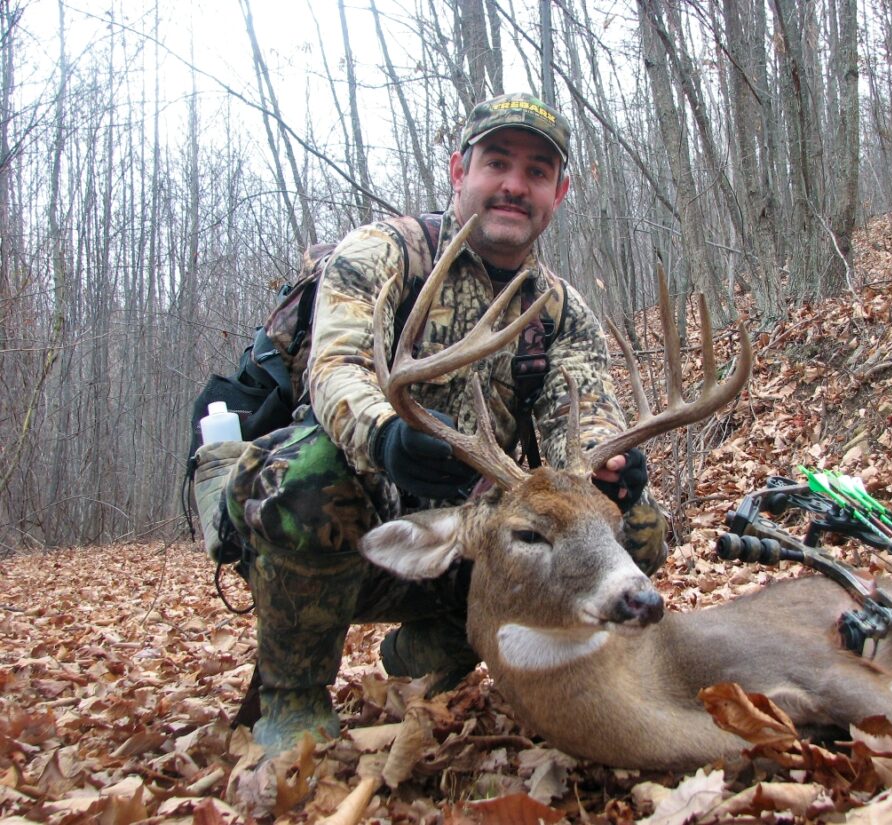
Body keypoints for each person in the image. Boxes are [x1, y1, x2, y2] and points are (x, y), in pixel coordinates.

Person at [223, 92, 667, 756]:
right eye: (497, 163)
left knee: (638, 528)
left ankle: (438, 643)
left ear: (559, 191)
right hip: (363, 525)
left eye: (537, 171)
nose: (515, 185)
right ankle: (294, 697)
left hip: (476, 536)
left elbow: (583, 415)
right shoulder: (384, 252)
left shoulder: (561, 310)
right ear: (461, 171)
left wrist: (609, 473)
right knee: (305, 474)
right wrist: (384, 435)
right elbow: (335, 365)